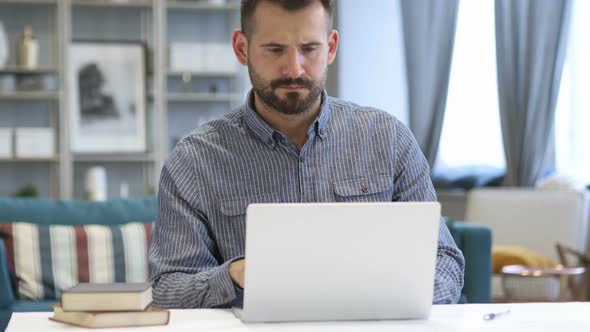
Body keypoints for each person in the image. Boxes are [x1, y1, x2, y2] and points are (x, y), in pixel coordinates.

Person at [149, 0, 465, 308]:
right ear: (241, 48)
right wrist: (233, 275)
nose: (294, 68)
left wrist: (394, 300)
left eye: (309, 49)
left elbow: (445, 261)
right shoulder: (193, 161)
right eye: (275, 50)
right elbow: (168, 287)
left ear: (331, 47)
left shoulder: (388, 139)